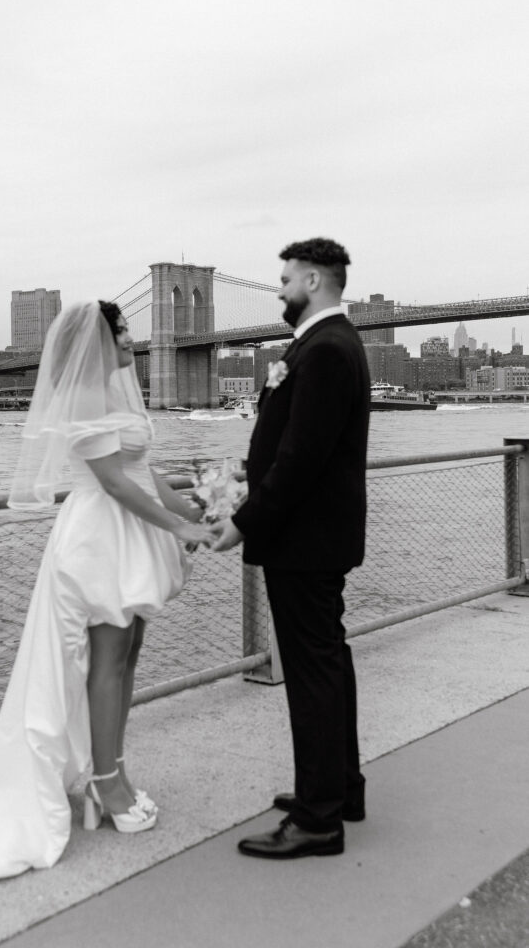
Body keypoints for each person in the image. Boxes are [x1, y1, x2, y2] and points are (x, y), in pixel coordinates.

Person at [0, 300, 212, 885]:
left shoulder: (118, 392)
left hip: (129, 532)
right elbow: (107, 480)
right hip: (99, 536)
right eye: (122, 328)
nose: (132, 335)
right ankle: (106, 786)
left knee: (127, 658)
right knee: (104, 662)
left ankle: (114, 772)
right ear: (98, 339)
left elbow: (142, 469)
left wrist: (195, 510)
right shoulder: (82, 396)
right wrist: (176, 526)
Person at [211, 238, 370, 859]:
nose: (277, 290)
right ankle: (339, 790)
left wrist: (244, 520)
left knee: (311, 674)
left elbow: (301, 458)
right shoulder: (322, 345)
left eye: (284, 280)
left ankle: (317, 820)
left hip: (305, 540)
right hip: (314, 537)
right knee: (327, 661)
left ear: (313, 279)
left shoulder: (326, 350)